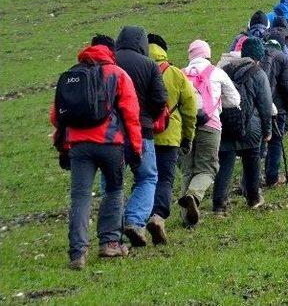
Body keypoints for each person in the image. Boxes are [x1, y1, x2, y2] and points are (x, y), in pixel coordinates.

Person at [52, 37, 141, 269]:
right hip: (111, 144)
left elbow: (56, 116)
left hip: (79, 146)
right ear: (110, 52)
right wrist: (137, 149)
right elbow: (131, 114)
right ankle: (109, 243)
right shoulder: (117, 73)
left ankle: (77, 253)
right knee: (113, 191)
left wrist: (62, 144)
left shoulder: (71, 75)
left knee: (80, 197)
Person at [115, 26, 168, 247]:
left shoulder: (110, 62)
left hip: (112, 133)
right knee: (147, 177)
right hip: (142, 130)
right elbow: (160, 98)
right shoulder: (148, 65)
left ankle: (112, 231)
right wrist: (148, 117)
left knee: (112, 182)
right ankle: (135, 221)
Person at [178, 39, 240, 227]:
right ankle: (194, 195)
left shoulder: (180, 74)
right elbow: (235, 100)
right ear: (208, 54)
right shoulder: (217, 72)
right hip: (210, 125)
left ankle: (186, 219)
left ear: (190, 56)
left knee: (188, 170)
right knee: (208, 168)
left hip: (184, 127)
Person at [146, 34, 197, 243]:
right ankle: (158, 216)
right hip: (169, 136)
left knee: (143, 180)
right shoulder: (175, 73)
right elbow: (190, 108)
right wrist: (187, 137)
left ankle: (139, 220)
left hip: (142, 134)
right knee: (165, 179)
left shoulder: (135, 71)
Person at [214, 38, 273, 213]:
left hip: (227, 122)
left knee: (225, 163)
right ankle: (253, 197)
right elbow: (265, 104)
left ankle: (219, 205)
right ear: (257, 57)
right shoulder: (259, 73)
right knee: (252, 160)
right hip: (251, 126)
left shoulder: (224, 70)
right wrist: (267, 129)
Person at [260, 38, 288, 187]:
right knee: (275, 142)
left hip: (260, 108)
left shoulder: (259, 57)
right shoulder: (284, 57)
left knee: (259, 145)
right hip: (279, 107)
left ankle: (252, 180)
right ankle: (272, 178)